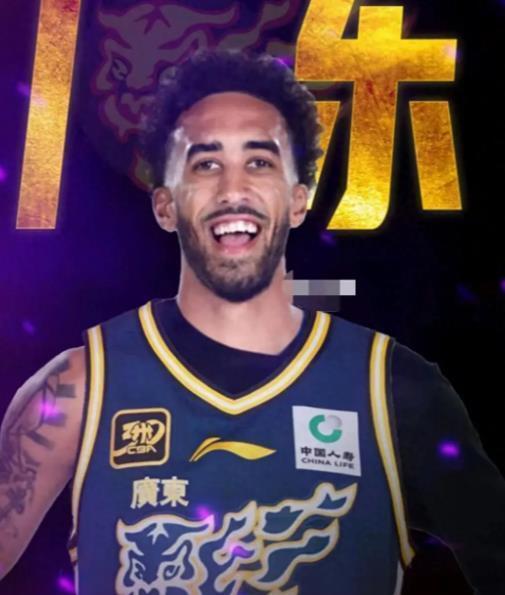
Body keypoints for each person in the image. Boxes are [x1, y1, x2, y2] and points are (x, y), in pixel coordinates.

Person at [0, 50, 504, 595]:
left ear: (298, 200)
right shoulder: (76, 389)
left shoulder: (395, 390)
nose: (233, 190)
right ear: (165, 206)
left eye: (260, 162)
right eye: (205, 164)